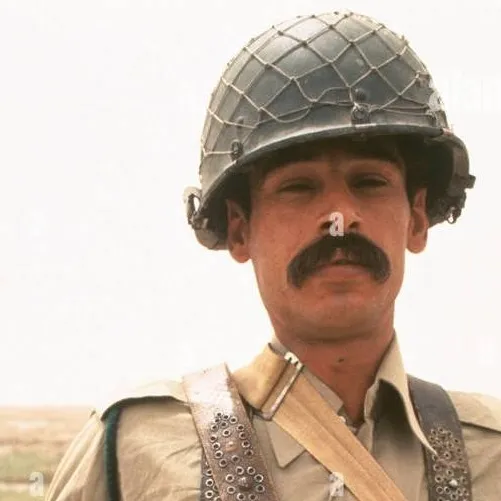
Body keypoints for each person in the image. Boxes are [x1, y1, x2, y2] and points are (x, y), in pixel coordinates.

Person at [46, 10, 501, 501]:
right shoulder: (135, 453)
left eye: (369, 182)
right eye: (298, 187)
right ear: (240, 231)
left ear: (416, 219)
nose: (340, 217)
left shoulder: (491, 456)